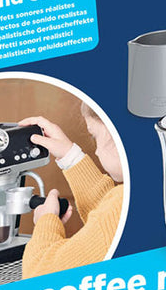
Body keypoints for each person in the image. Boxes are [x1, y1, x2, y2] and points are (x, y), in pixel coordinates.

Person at [18, 103, 124, 278]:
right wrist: (70, 155)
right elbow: (110, 218)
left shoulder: (118, 207)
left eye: (94, 136)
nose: (97, 151)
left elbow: (38, 277)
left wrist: (46, 222)